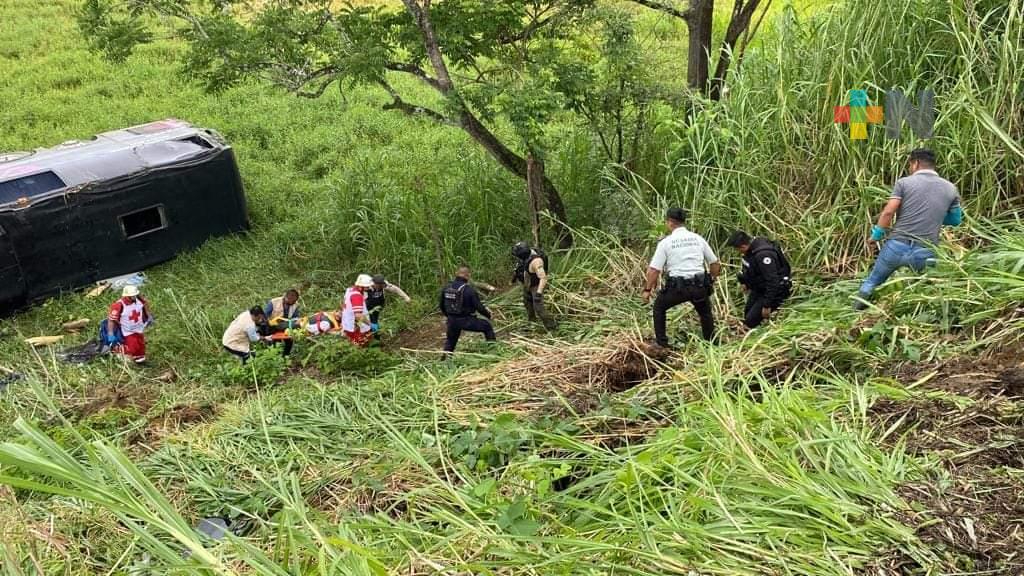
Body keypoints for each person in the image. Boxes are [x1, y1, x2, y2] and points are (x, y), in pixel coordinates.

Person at [854, 148, 962, 310]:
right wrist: (933, 215)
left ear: (915, 163)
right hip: (925, 250)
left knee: (872, 281)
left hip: (896, 246)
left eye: (910, 165)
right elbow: (955, 220)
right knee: (925, 287)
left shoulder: (904, 183)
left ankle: (855, 314)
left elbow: (888, 212)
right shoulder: (951, 188)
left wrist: (876, 235)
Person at [642, 207, 721, 348]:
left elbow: (653, 270)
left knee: (659, 308)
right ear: (683, 221)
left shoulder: (666, 242)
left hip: (677, 289)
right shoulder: (698, 239)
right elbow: (714, 263)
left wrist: (647, 290)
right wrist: (712, 279)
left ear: (670, 222)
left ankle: (661, 344)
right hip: (699, 287)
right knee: (705, 313)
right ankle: (712, 344)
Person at [727, 230, 793, 329]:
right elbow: (750, 269)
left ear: (743, 246)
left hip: (775, 290)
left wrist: (767, 305)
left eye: (738, 249)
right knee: (747, 313)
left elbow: (773, 281)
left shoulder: (763, 254)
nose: (738, 252)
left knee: (750, 321)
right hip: (759, 288)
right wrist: (745, 283)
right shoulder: (751, 250)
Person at [440, 265, 496, 354]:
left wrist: (450, 316)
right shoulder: (469, 290)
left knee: (450, 341)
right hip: (466, 320)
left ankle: (445, 359)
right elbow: (479, 307)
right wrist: (489, 315)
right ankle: (493, 352)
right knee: (487, 326)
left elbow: (442, 306)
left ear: (456, 274)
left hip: (451, 321)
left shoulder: (446, 288)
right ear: (468, 276)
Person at [512, 241, 556, 331]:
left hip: (536, 285)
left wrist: (538, 293)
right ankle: (532, 320)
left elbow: (543, 278)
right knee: (527, 302)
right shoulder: (525, 258)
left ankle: (551, 326)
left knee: (538, 307)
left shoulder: (536, 262)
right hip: (528, 283)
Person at [105, 285, 153, 364]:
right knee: (132, 346)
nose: (134, 297)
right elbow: (111, 320)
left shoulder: (139, 300)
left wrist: (149, 316)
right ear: (126, 296)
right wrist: (110, 333)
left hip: (139, 328)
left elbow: (145, 304)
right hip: (127, 331)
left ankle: (140, 357)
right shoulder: (119, 305)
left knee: (140, 343)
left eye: (135, 295)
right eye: (132, 296)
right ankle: (118, 351)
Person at [264, 288, 301, 355]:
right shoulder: (274, 302)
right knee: (276, 343)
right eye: (289, 301)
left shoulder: (295, 305)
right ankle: (275, 356)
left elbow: (295, 318)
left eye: (293, 302)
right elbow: (264, 316)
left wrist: (296, 323)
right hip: (272, 326)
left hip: (287, 326)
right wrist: (269, 323)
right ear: (285, 296)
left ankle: (285, 357)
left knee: (289, 342)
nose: (291, 303)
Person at [341, 274, 375, 347]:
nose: (368, 288)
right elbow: (358, 316)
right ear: (361, 286)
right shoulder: (357, 296)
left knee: (352, 344)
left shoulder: (350, 290)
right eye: (367, 287)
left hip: (347, 324)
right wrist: (370, 324)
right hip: (356, 327)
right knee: (361, 345)